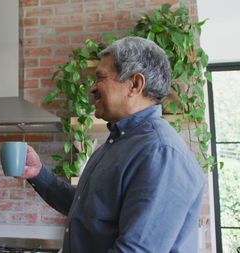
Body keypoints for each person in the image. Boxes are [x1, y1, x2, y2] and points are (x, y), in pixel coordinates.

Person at [21, 36, 205, 253]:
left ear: (135, 85)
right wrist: (38, 173)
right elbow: (84, 206)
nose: (92, 88)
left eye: (100, 78)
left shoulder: (161, 152)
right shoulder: (116, 143)